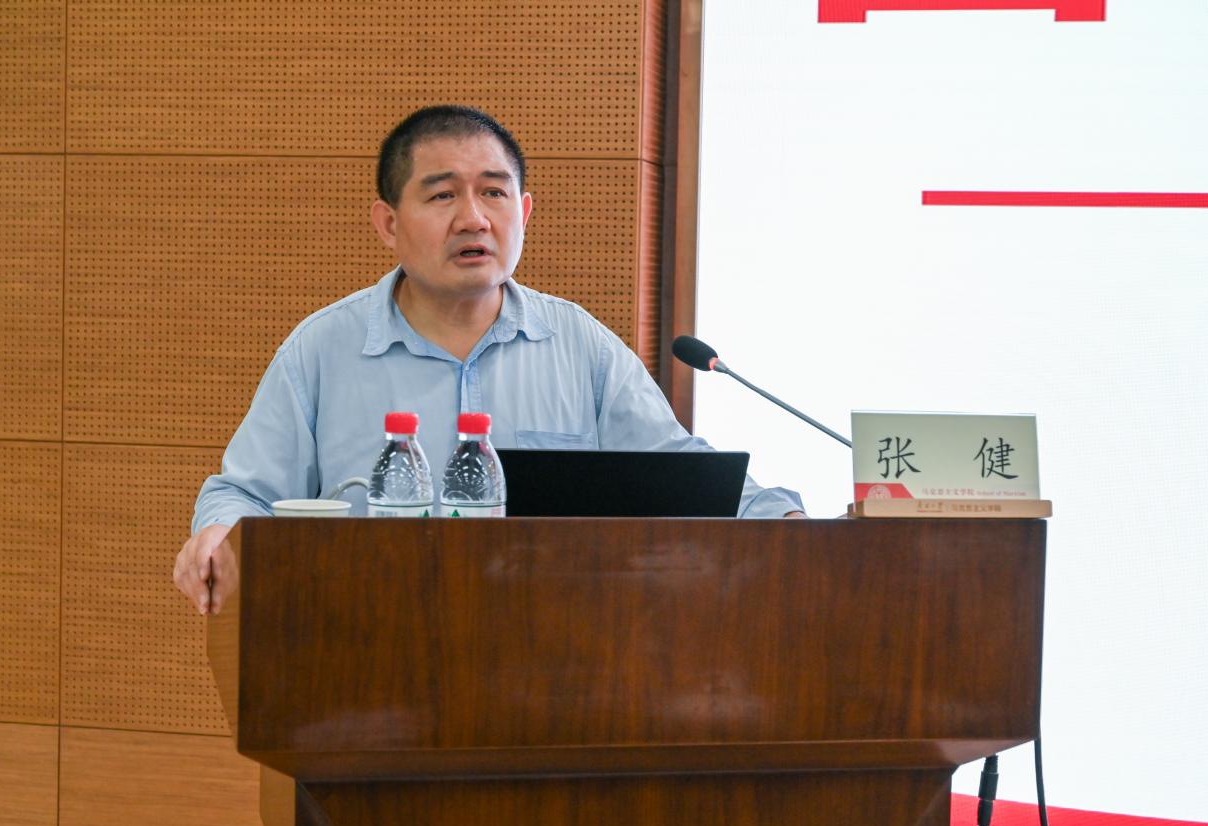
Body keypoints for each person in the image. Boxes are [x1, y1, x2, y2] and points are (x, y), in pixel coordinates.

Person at [173, 105, 805, 615]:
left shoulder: (579, 345)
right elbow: (244, 493)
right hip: (366, 651)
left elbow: (681, 478)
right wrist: (219, 533)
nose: (473, 219)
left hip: (554, 656)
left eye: (494, 193)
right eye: (442, 195)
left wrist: (786, 518)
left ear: (524, 212)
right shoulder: (322, 350)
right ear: (388, 224)